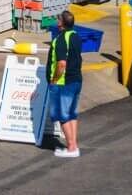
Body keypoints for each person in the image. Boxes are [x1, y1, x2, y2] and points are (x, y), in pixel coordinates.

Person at [47, 9, 82, 158]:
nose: (56, 21)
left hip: (63, 83)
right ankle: (74, 144)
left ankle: (71, 148)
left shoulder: (61, 40)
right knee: (71, 114)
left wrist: (54, 80)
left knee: (63, 116)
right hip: (76, 80)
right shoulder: (75, 36)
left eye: (58, 19)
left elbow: (61, 64)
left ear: (61, 23)